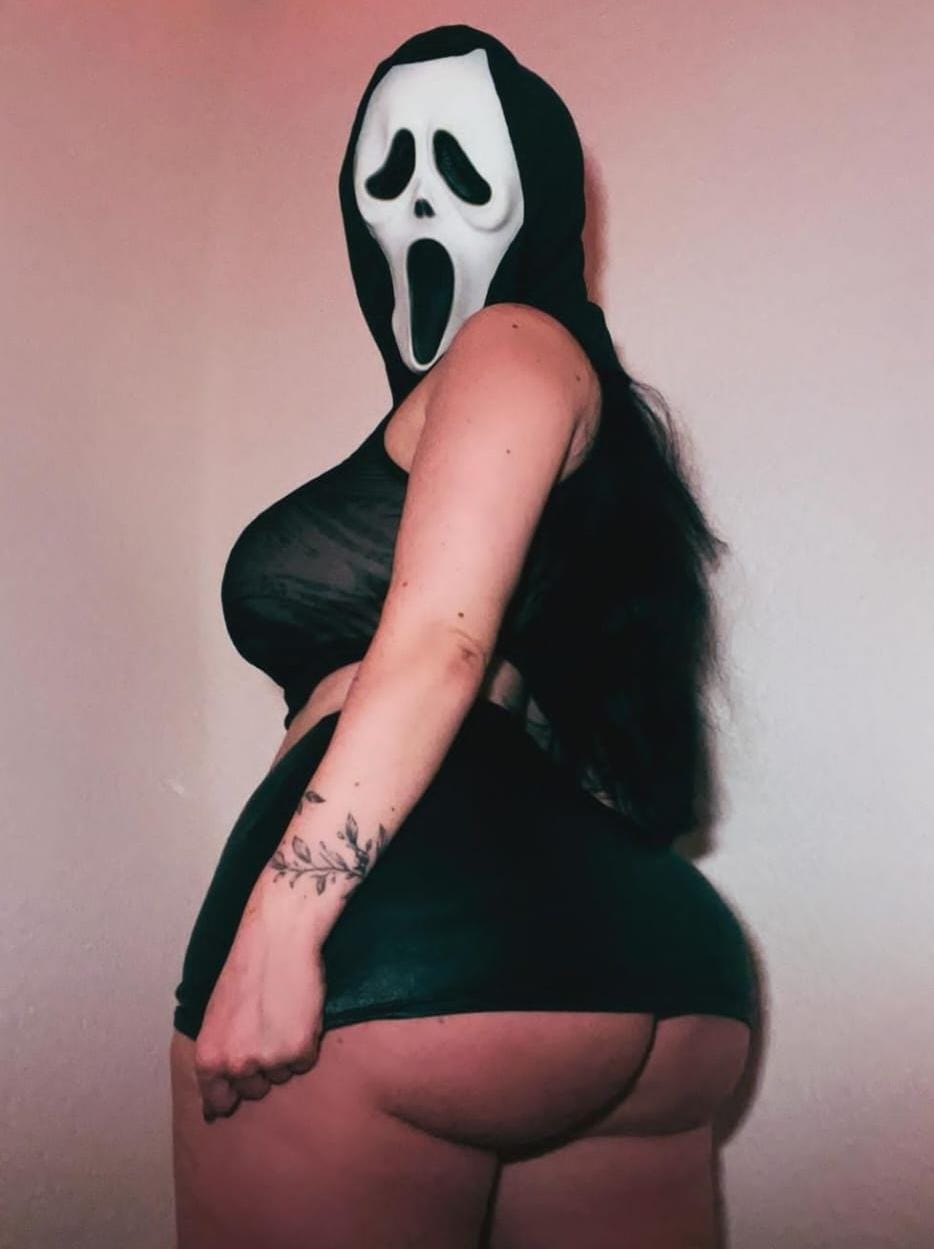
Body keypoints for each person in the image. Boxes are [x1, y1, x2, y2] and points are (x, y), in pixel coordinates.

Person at [169, 23, 757, 1249]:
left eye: (459, 168)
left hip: (408, 947)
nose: (423, 205)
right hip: (655, 972)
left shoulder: (511, 343)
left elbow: (437, 640)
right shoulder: (595, 432)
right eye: (386, 175)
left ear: (535, 193)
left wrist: (279, 927)